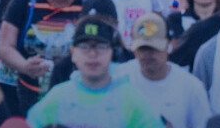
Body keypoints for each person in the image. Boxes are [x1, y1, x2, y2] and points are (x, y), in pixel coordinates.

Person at [25, 16, 158, 128]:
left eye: (101, 46)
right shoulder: (58, 98)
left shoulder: (130, 101)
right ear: (73, 53)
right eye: (84, 47)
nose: (92, 54)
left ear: (112, 53)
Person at [115, 12, 212, 128]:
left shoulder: (191, 88)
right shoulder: (117, 79)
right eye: (142, 49)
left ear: (169, 45)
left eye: (153, 48)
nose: (147, 55)